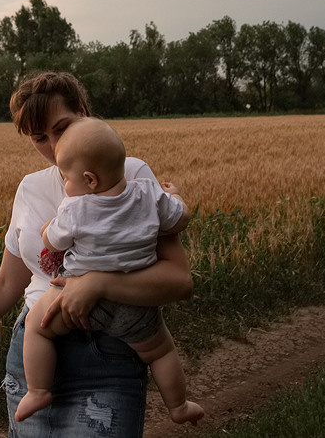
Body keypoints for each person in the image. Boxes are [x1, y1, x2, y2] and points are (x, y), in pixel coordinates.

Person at [0, 71, 194, 437]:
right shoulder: (30, 189)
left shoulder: (133, 176)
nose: (52, 145)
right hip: (34, 350)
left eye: (62, 127)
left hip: (111, 351)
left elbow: (180, 282)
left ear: (83, 112)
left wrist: (97, 284)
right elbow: (7, 283)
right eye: (39, 138)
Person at [15, 117, 203, 425]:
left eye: (67, 179)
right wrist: (177, 195)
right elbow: (180, 218)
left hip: (74, 298)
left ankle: (37, 390)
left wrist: (50, 228)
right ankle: (179, 406)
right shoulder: (149, 194)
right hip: (136, 304)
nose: (65, 185)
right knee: (160, 351)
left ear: (89, 180)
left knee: (36, 327)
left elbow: (53, 239)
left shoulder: (75, 209)